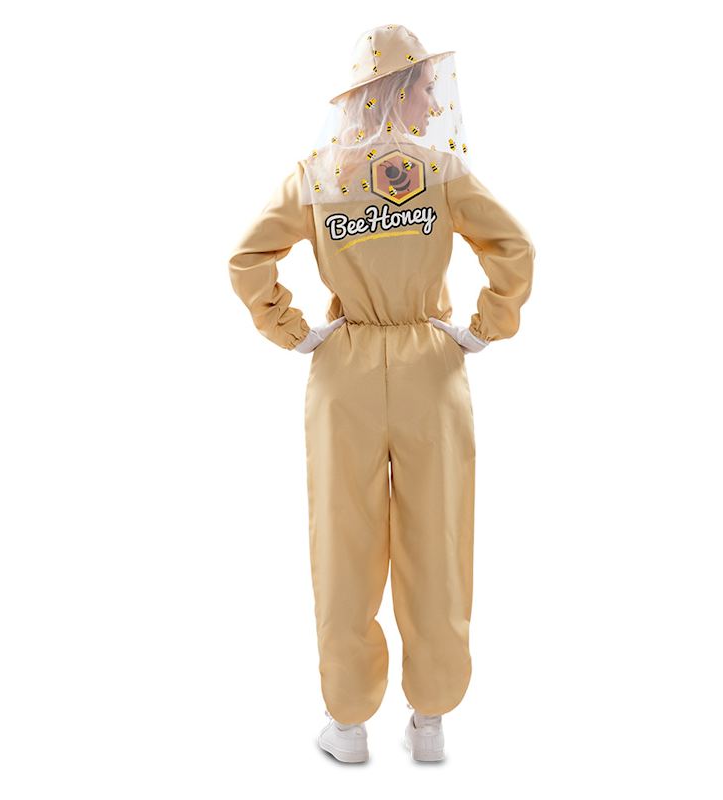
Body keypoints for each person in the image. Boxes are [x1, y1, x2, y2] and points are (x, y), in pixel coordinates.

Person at [227, 23, 535, 763]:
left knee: (345, 542)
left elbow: (248, 256)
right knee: (439, 538)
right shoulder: (441, 170)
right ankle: (429, 722)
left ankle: (348, 726)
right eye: (425, 86)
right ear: (398, 90)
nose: (434, 101)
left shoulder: (317, 174)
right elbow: (514, 247)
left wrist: (294, 331)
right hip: (432, 368)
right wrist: (484, 327)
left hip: (345, 373)